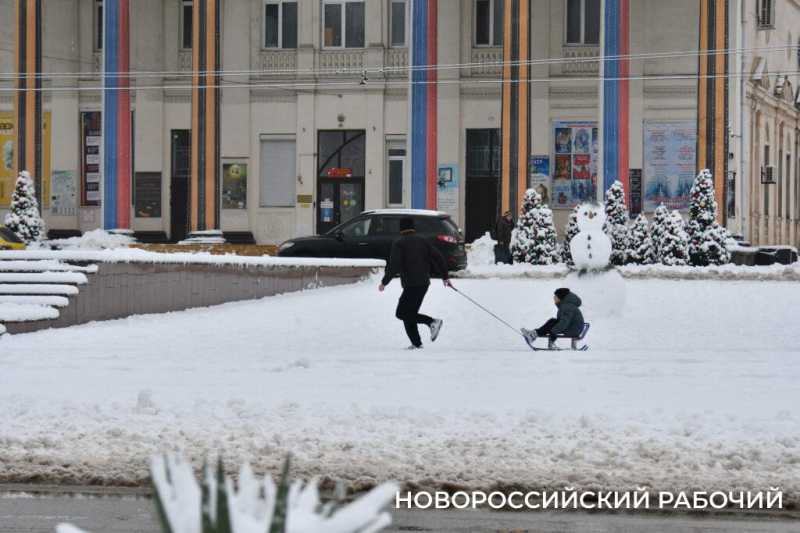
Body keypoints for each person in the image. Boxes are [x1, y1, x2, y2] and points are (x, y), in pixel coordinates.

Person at [379, 217, 452, 349]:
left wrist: (384, 282)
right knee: (409, 314)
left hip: (411, 284)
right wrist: (445, 277)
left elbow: (394, 265)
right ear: (413, 227)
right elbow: (439, 258)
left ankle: (432, 322)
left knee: (401, 313)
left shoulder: (399, 243)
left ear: (401, 228)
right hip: (423, 283)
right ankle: (416, 344)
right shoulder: (423, 241)